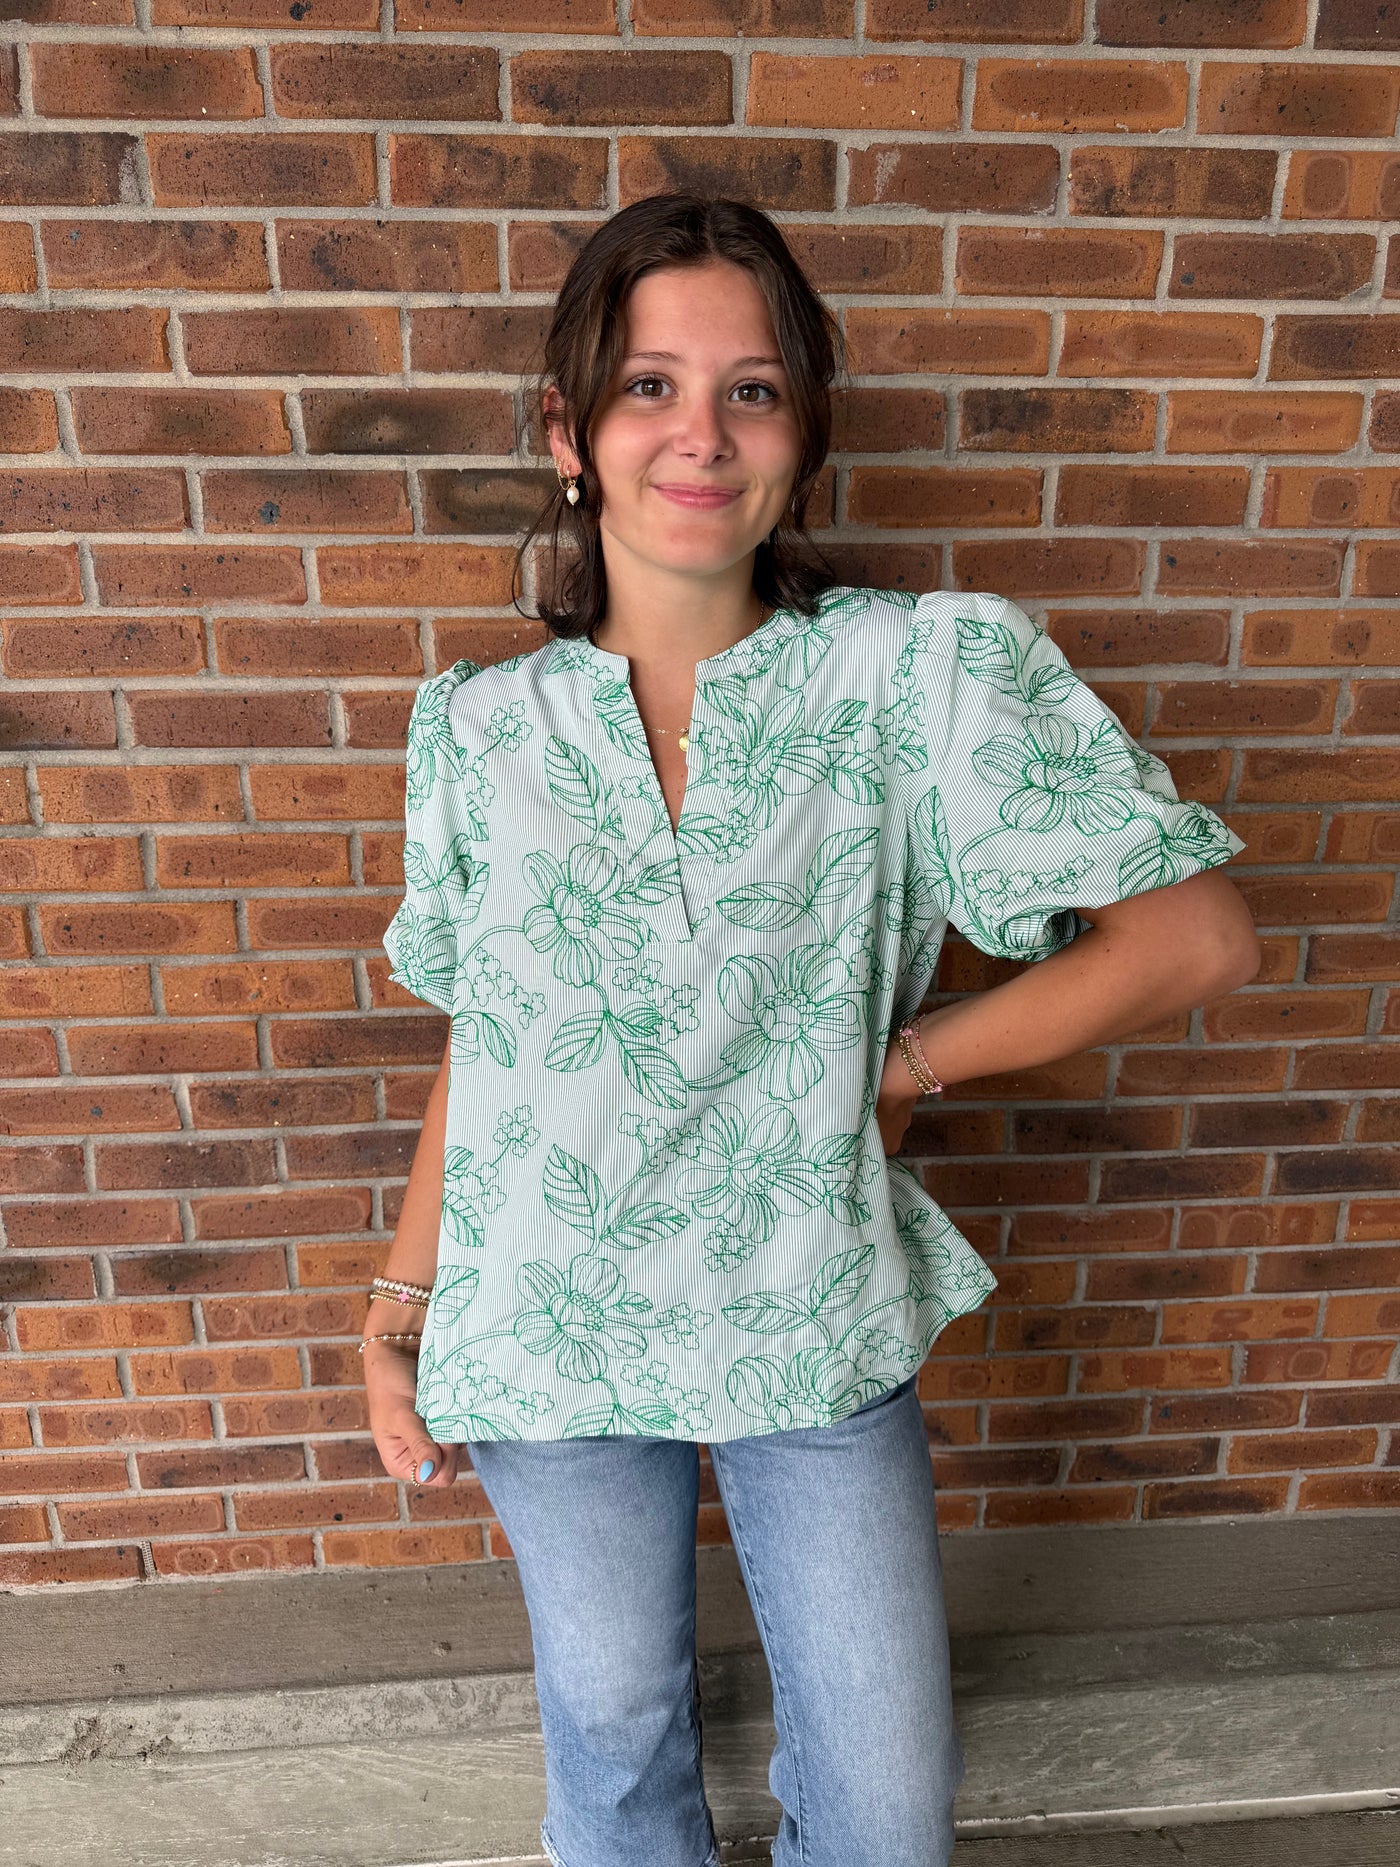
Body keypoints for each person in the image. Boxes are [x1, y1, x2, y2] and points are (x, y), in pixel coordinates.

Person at [360, 195, 1261, 1867]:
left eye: (753, 391)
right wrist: (398, 1306)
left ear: (804, 436)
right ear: (568, 434)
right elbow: (495, 1041)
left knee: (887, 1803)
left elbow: (1194, 937)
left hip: (809, 1299)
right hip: (543, 1313)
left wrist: (910, 1064)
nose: (700, 433)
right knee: (614, 1752)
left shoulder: (912, 678)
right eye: (649, 386)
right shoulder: (478, 731)